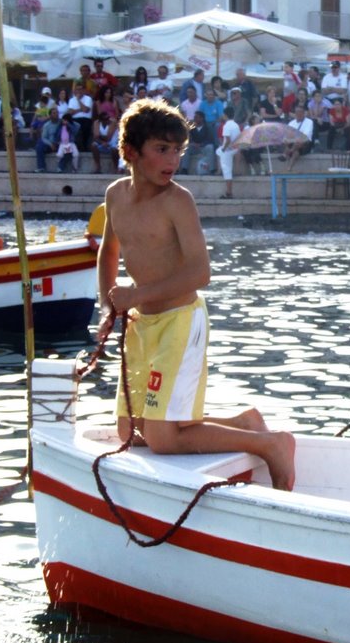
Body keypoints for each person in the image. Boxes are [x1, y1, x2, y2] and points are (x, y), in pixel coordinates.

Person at [97, 98, 295, 491]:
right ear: (131, 151)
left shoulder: (178, 201)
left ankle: (270, 444)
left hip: (179, 321)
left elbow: (199, 272)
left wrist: (137, 295)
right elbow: (109, 251)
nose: (173, 160)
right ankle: (244, 423)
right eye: (162, 149)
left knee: (163, 439)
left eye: (178, 150)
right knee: (129, 431)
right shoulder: (116, 196)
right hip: (141, 324)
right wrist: (109, 307)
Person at [181, 110, 216, 175]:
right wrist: (193, 143)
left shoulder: (208, 127)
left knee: (210, 147)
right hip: (194, 147)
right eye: (194, 117)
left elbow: (210, 139)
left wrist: (201, 144)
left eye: (196, 117)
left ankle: (212, 169)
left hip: (203, 147)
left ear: (202, 118)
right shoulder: (191, 127)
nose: (195, 119)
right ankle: (184, 169)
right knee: (186, 148)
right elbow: (188, 138)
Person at [216, 105, 240, 198]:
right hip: (235, 148)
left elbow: (228, 140)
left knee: (227, 172)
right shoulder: (236, 125)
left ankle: (229, 192)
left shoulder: (226, 126)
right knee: (217, 151)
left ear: (225, 115)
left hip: (227, 150)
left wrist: (224, 149)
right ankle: (219, 170)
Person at [281, 103, 313, 172]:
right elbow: (286, 135)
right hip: (293, 143)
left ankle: (287, 153)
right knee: (296, 151)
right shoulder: (291, 123)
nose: (298, 114)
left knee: (299, 142)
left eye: (300, 112)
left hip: (306, 144)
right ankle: (289, 168)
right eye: (296, 112)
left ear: (304, 113)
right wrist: (287, 140)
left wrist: (293, 138)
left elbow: (305, 135)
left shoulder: (309, 122)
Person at [35, 107, 62, 172]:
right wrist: (51, 145)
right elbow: (44, 138)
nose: (56, 114)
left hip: (61, 144)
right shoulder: (47, 125)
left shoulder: (62, 123)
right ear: (50, 115)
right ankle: (41, 167)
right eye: (54, 113)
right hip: (50, 145)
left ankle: (61, 167)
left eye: (57, 113)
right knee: (39, 146)